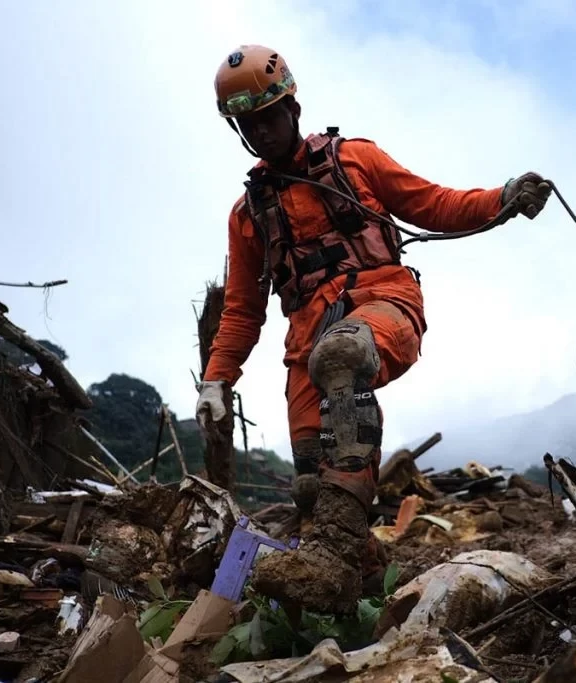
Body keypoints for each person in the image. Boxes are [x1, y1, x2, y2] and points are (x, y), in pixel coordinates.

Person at [195, 44, 551, 614]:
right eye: (249, 123)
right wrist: (217, 380)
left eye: (270, 116)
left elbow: (433, 203)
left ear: (294, 108)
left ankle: (330, 561)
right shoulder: (248, 214)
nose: (262, 130)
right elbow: (242, 309)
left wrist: (501, 198)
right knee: (315, 483)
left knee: (340, 357)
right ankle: (367, 588)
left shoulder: (355, 160)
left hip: (382, 303)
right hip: (304, 342)